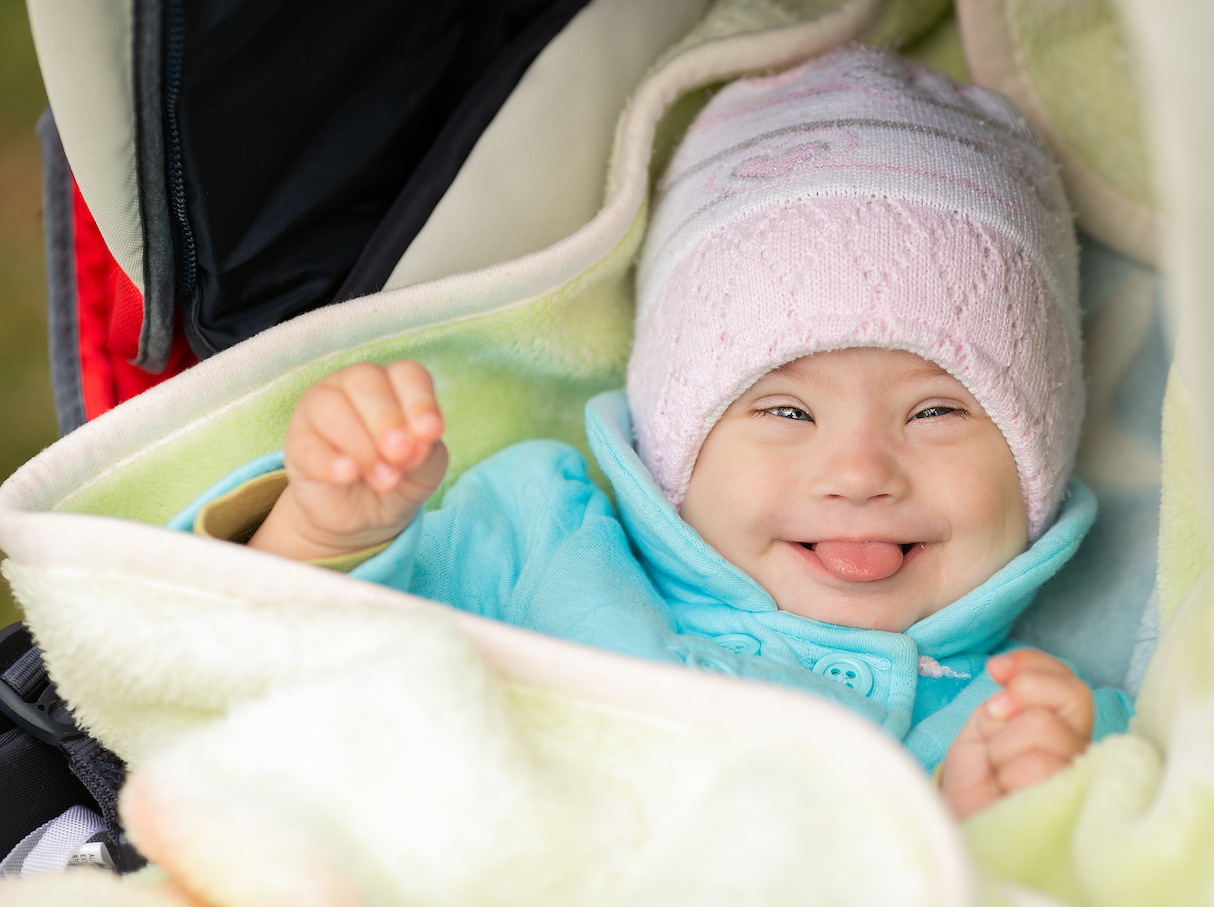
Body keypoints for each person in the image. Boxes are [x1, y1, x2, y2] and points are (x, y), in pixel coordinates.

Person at [181, 46, 1131, 819]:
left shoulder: (1024, 718)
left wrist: (996, 822)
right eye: (786, 411)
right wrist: (330, 530)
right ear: (676, 443)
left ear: (1036, 455)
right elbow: (276, 669)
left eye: (936, 411)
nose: (859, 471)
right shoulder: (544, 538)